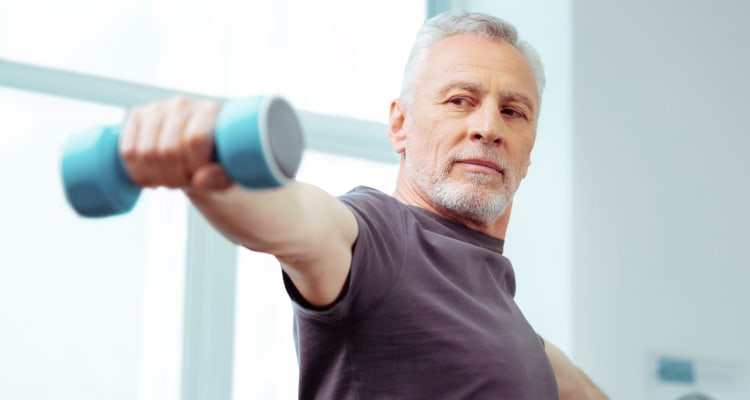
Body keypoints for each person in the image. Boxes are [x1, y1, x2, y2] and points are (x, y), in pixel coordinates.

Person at [119, 11, 607, 400]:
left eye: (512, 111)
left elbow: (575, 386)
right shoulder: (378, 237)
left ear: (531, 145)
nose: (488, 127)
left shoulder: (505, 315)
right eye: (460, 100)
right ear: (399, 125)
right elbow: (295, 220)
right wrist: (210, 169)